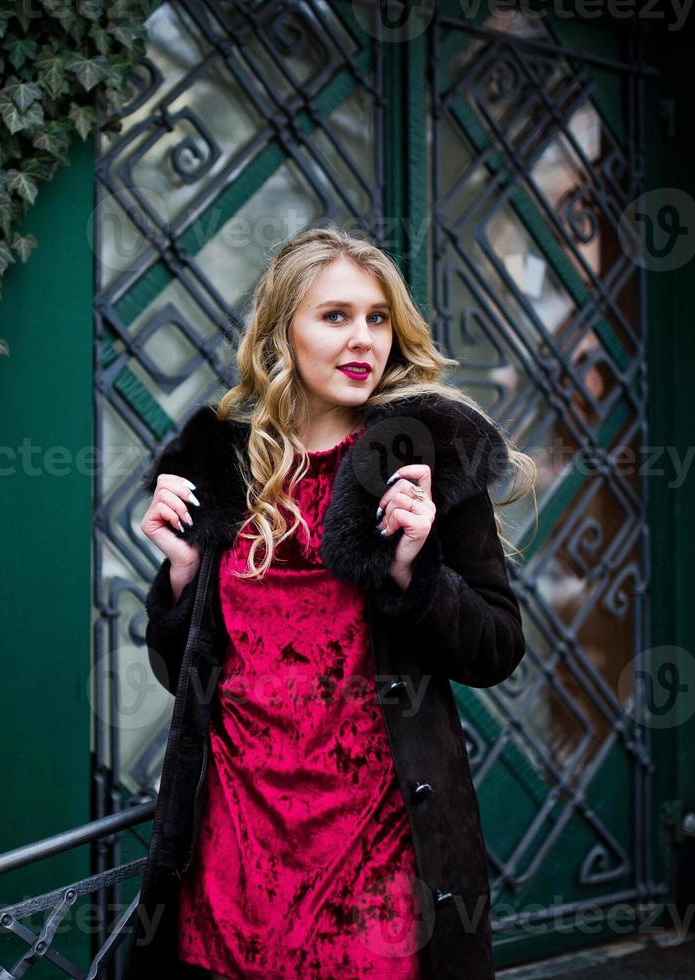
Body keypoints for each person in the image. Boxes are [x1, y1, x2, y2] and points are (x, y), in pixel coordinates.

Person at [123, 225, 535, 980]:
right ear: (283, 331)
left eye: (377, 318)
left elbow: (495, 649)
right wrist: (181, 577)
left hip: (378, 842)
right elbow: (183, 675)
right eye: (335, 316)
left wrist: (418, 572)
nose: (363, 339)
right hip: (236, 840)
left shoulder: (427, 459)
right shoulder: (221, 466)